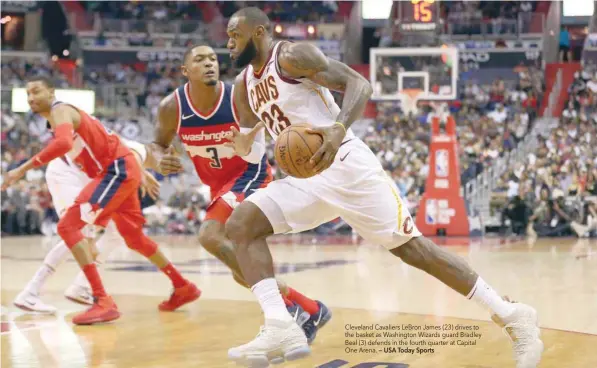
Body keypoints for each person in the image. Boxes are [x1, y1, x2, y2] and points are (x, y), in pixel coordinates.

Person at [223, 7, 543, 367]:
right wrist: (243, 147)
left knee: (414, 250)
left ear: (260, 32)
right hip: (306, 178)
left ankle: (513, 316)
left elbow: (360, 84)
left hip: (344, 164)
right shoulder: (244, 86)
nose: (230, 43)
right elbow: (253, 141)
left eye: (236, 35)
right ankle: (281, 324)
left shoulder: (292, 56)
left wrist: (338, 127)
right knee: (240, 226)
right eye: (228, 37)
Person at [145, 44, 330, 343]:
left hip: (248, 175)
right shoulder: (172, 107)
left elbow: (264, 133)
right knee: (241, 271)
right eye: (200, 59)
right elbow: (155, 145)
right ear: (185, 71)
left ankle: (286, 310)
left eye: (212, 59)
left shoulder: (236, 96)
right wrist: (157, 160)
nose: (209, 64)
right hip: (218, 187)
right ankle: (311, 308)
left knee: (209, 235)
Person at [2, 76, 200, 325]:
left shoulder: (60, 109)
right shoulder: (67, 119)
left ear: (51, 92)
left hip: (114, 172)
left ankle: (101, 299)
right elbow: (113, 145)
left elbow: (64, 143)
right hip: (116, 172)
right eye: (27, 94)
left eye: (36, 92)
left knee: (68, 227)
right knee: (133, 237)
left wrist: (21, 169)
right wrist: (141, 173)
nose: (31, 98)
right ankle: (182, 285)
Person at [13, 137, 160, 313]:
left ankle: (81, 286)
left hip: (84, 176)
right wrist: (90, 236)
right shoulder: (138, 150)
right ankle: (30, 292)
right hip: (66, 173)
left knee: (115, 233)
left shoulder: (133, 160)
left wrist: (143, 173)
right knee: (77, 232)